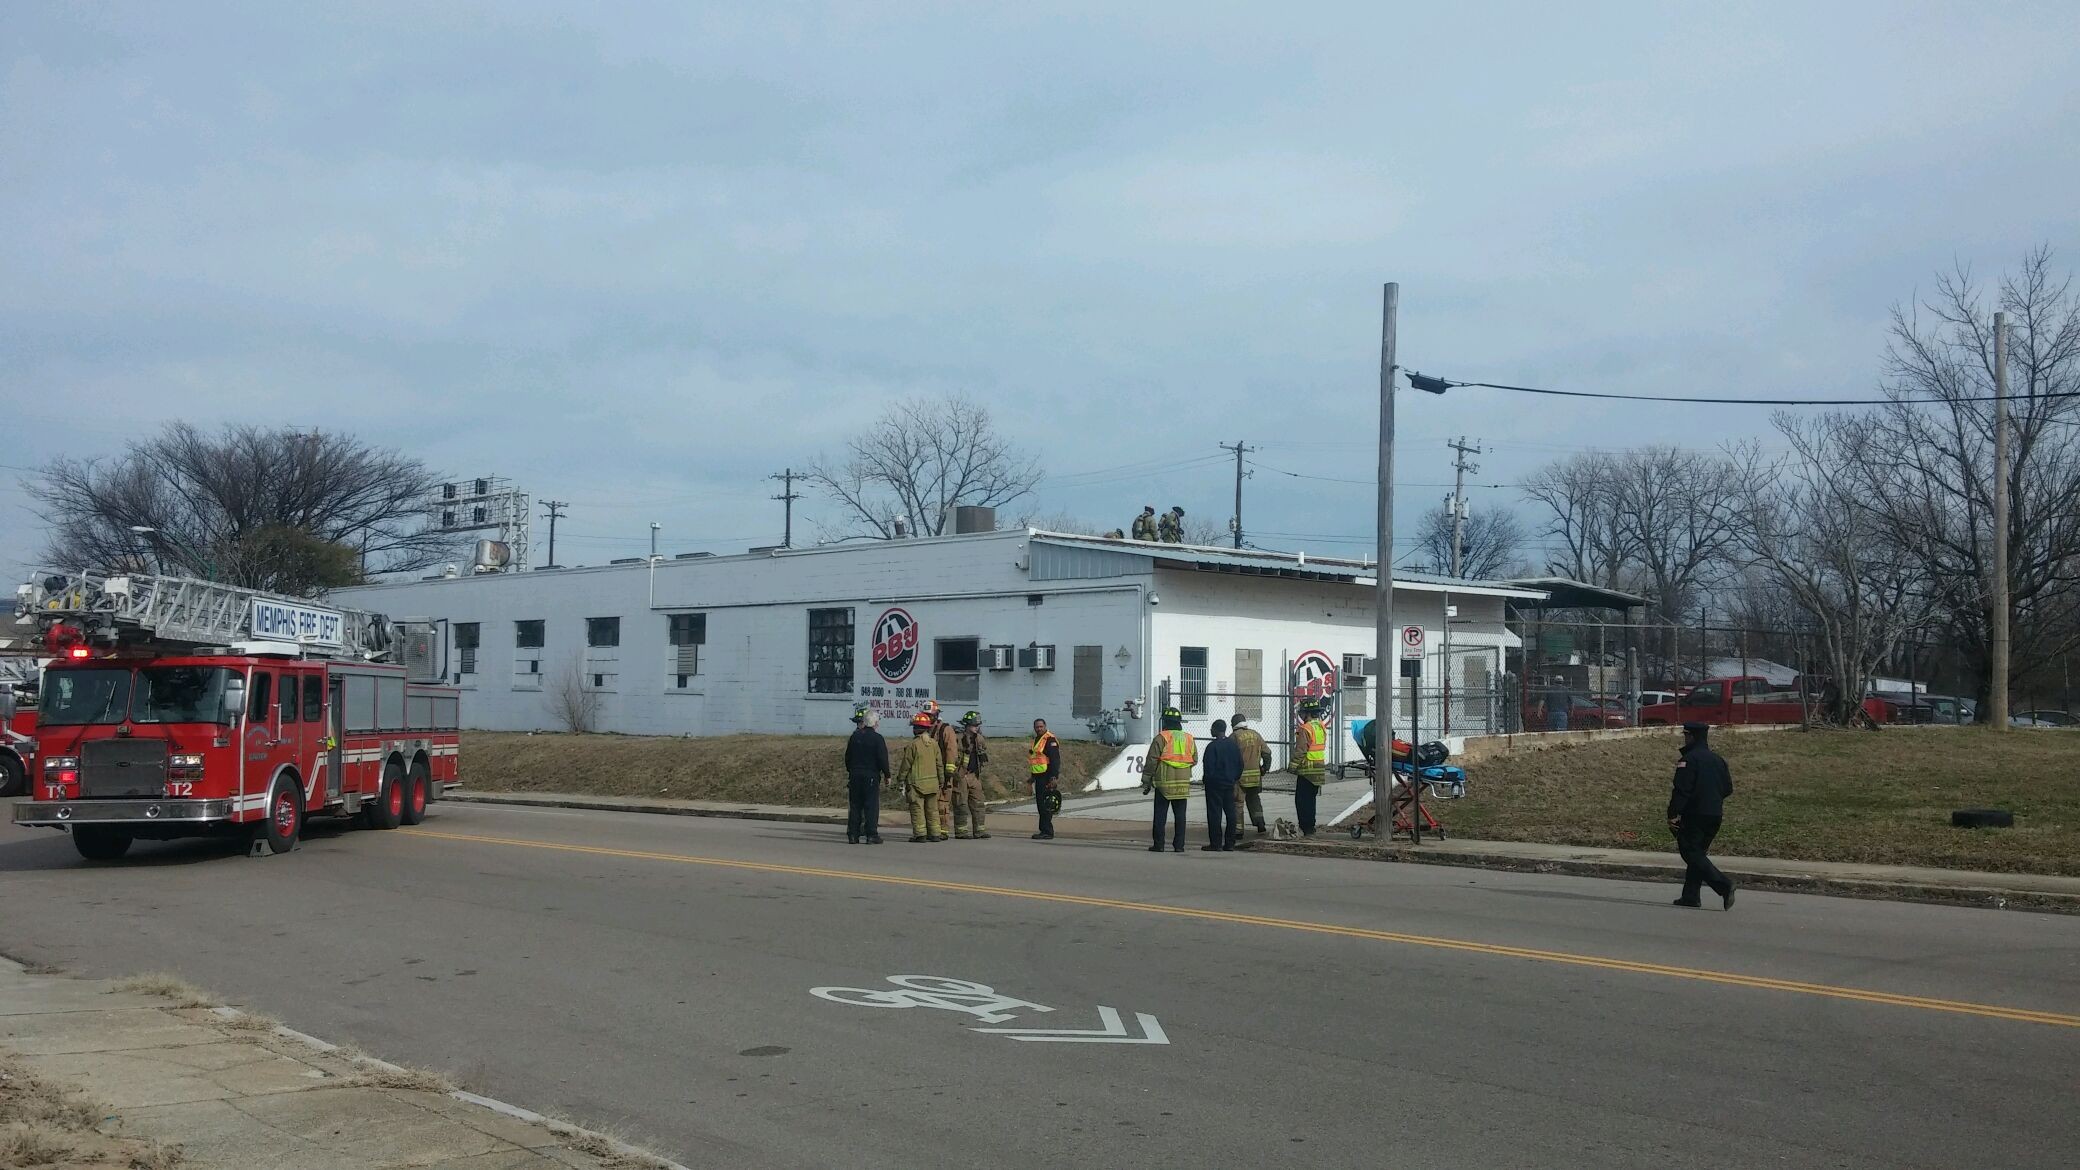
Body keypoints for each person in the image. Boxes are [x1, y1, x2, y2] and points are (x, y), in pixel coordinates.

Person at [1669, 721, 1735, 909]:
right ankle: (1691, 896)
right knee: (1698, 854)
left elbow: (1682, 790)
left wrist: (1673, 813)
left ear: (1692, 737)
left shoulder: (1689, 760)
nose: (1685, 738)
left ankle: (1724, 885)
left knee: (1690, 851)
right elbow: (1728, 788)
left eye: (1686, 735)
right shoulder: (1718, 760)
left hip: (1695, 815)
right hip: (1715, 814)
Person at [1140, 706, 1195, 852]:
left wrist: (1146, 780)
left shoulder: (1161, 737)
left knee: (1160, 815)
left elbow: (1152, 760)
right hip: (1183, 784)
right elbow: (1194, 759)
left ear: (1165, 722)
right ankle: (1179, 846)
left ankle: (1159, 845)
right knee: (1180, 817)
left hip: (1164, 783)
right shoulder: (1189, 738)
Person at [843, 705, 890, 845]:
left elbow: (848, 757)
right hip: (870, 776)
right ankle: (871, 835)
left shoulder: (855, 736)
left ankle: (853, 835)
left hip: (855, 775)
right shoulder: (878, 738)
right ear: (875, 723)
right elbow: (882, 759)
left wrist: (851, 771)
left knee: (855, 805)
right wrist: (887, 775)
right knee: (871, 806)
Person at [897, 712, 945, 842]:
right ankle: (935, 834)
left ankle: (920, 834)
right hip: (933, 784)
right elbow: (939, 764)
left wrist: (900, 780)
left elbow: (906, 765)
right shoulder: (934, 744)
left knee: (917, 809)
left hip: (916, 785)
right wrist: (941, 781)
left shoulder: (913, 745)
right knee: (932, 810)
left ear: (916, 729)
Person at [1200, 718, 1240, 851]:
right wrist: (1234, 778)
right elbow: (1240, 764)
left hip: (1215, 785)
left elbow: (1208, 767)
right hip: (1229, 783)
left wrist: (1207, 780)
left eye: (1212, 728)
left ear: (1216, 730)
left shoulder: (1212, 747)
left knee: (1214, 814)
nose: (1210, 731)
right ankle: (1230, 843)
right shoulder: (1233, 745)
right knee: (1231, 813)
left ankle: (1216, 843)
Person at [1229, 712, 1271, 835]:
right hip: (1255, 776)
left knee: (1238, 803)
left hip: (1240, 777)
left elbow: (1230, 757)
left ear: (1234, 724)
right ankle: (1260, 823)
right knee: (1254, 799)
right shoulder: (1256, 734)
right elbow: (1267, 753)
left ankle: (1238, 830)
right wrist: (1264, 768)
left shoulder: (1234, 737)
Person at [952, 711, 991, 840]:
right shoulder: (957, 738)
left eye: (977, 725)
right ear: (967, 725)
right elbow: (952, 756)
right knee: (961, 804)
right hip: (961, 775)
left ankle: (979, 831)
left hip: (974, 776)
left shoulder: (979, 738)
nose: (976, 727)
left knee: (979, 803)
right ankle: (961, 832)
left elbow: (982, 752)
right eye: (974, 725)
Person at [1293, 700, 1329, 836]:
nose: (1301, 715)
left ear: (1307, 713)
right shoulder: (1321, 726)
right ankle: (1311, 826)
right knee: (1311, 799)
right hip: (1319, 768)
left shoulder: (1305, 728)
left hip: (1307, 769)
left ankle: (1306, 827)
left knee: (1302, 800)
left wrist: (1292, 767)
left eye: (1302, 713)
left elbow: (1301, 750)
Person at [929, 705, 962, 838]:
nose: (928, 717)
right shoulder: (928, 730)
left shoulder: (945, 730)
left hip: (943, 772)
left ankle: (943, 830)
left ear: (936, 715)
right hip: (931, 771)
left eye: (930, 715)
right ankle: (933, 829)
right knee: (932, 802)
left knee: (942, 801)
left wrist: (949, 771)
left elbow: (951, 750)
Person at [1028, 718, 1062, 839]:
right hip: (1039, 777)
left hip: (1047, 777)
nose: (1039, 729)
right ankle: (1044, 830)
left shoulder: (1050, 739)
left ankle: (1047, 831)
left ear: (1045, 726)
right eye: (1037, 727)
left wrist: (1054, 777)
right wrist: (1032, 777)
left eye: (1041, 726)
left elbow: (1055, 760)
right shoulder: (1038, 739)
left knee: (1046, 805)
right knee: (1040, 805)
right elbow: (1036, 760)